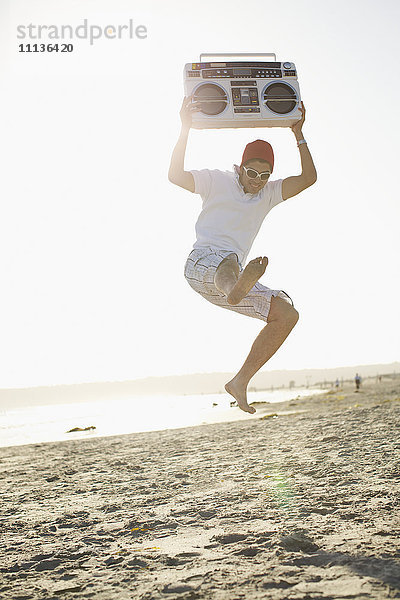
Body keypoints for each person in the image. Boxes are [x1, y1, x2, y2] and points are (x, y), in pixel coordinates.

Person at [168, 97, 317, 414]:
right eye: (252, 172)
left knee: (287, 314)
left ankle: (240, 382)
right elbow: (175, 176)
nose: (257, 180)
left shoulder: (268, 194)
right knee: (231, 263)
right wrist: (184, 128)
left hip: (234, 283)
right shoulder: (216, 180)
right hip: (202, 264)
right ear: (241, 166)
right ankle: (234, 288)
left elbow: (308, 179)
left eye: (265, 175)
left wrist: (298, 132)